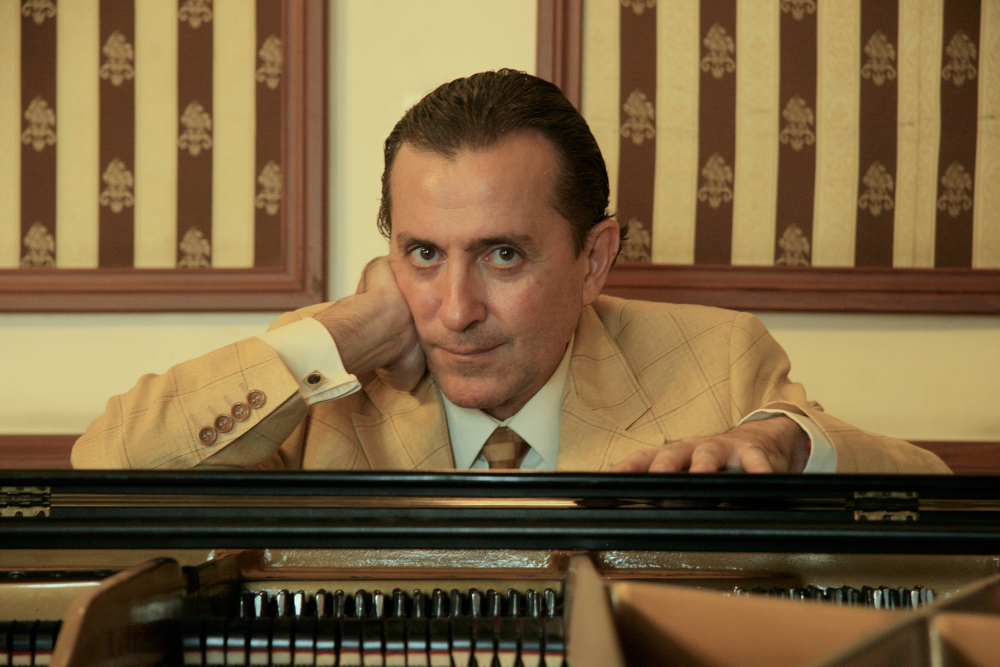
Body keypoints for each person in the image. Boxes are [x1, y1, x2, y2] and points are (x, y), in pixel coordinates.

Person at [71, 70, 949, 474]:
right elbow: (105, 466)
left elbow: (931, 497)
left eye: (502, 255)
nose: (455, 310)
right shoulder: (316, 384)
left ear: (593, 260)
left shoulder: (719, 361)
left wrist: (787, 444)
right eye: (423, 253)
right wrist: (348, 330)